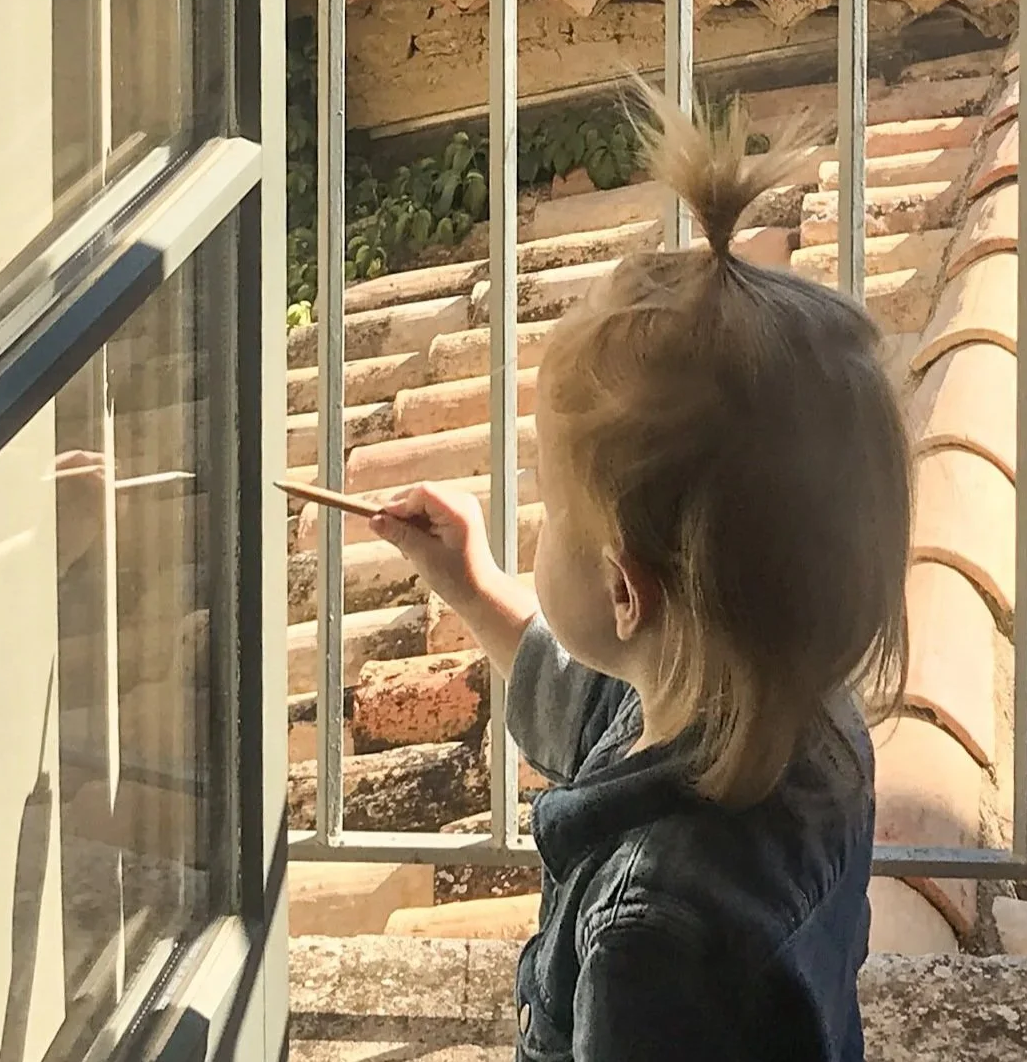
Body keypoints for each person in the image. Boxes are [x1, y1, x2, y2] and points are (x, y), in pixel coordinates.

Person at [371, 88, 913, 1062]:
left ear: (626, 588)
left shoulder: (653, 929)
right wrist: (473, 585)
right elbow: (586, 705)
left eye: (551, 517)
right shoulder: (785, 704)